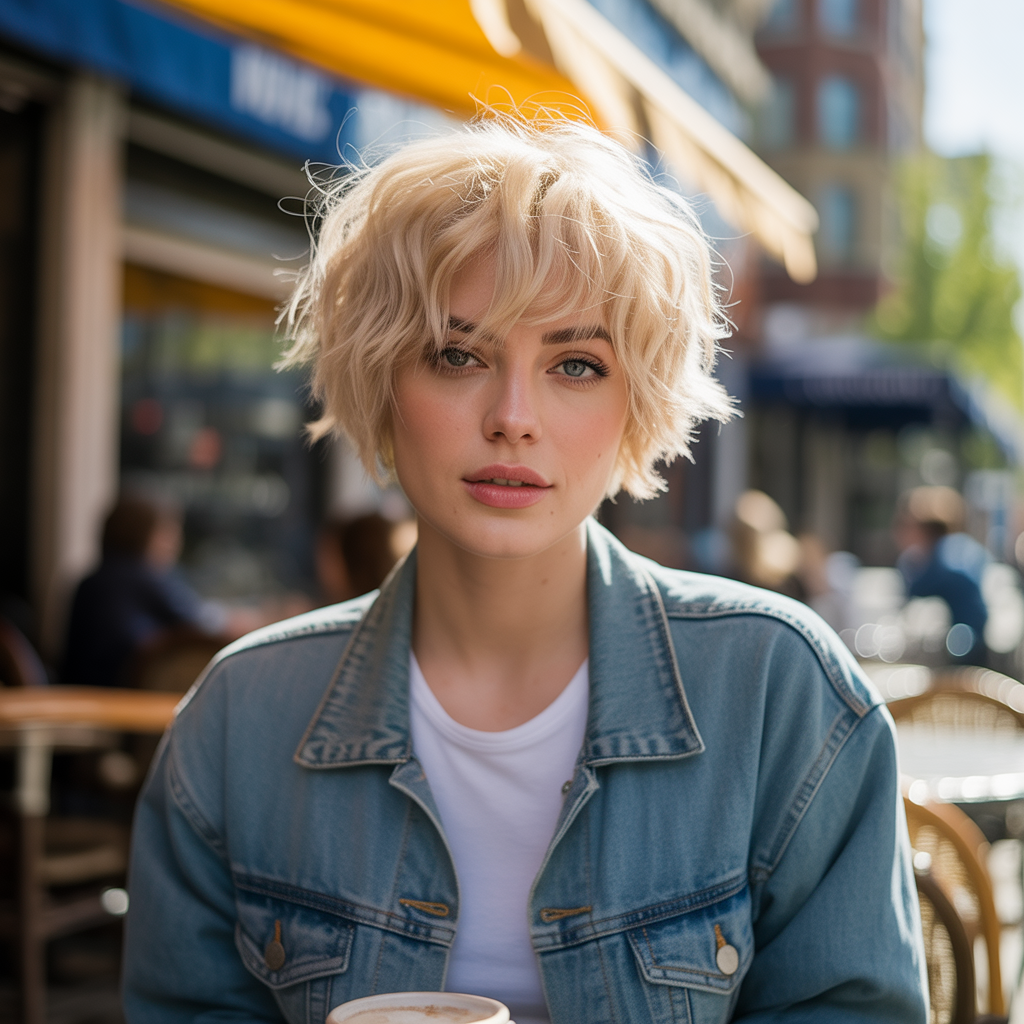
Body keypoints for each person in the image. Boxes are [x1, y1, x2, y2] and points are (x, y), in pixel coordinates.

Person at [124, 116, 927, 1023]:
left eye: (576, 363)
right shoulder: (237, 723)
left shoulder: (786, 694)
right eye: (457, 354)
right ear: (383, 381)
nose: (513, 416)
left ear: (638, 404)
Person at [62, 494, 230, 687]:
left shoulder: (89, 582)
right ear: (146, 534)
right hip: (124, 697)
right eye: (167, 532)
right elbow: (204, 624)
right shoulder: (145, 578)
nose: (175, 542)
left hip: (79, 691)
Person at [895, 485, 989, 664]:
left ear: (922, 528)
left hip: (959, 656)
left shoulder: (944, 562)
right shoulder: (961, 549)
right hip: (969, 649)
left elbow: (914, 600)